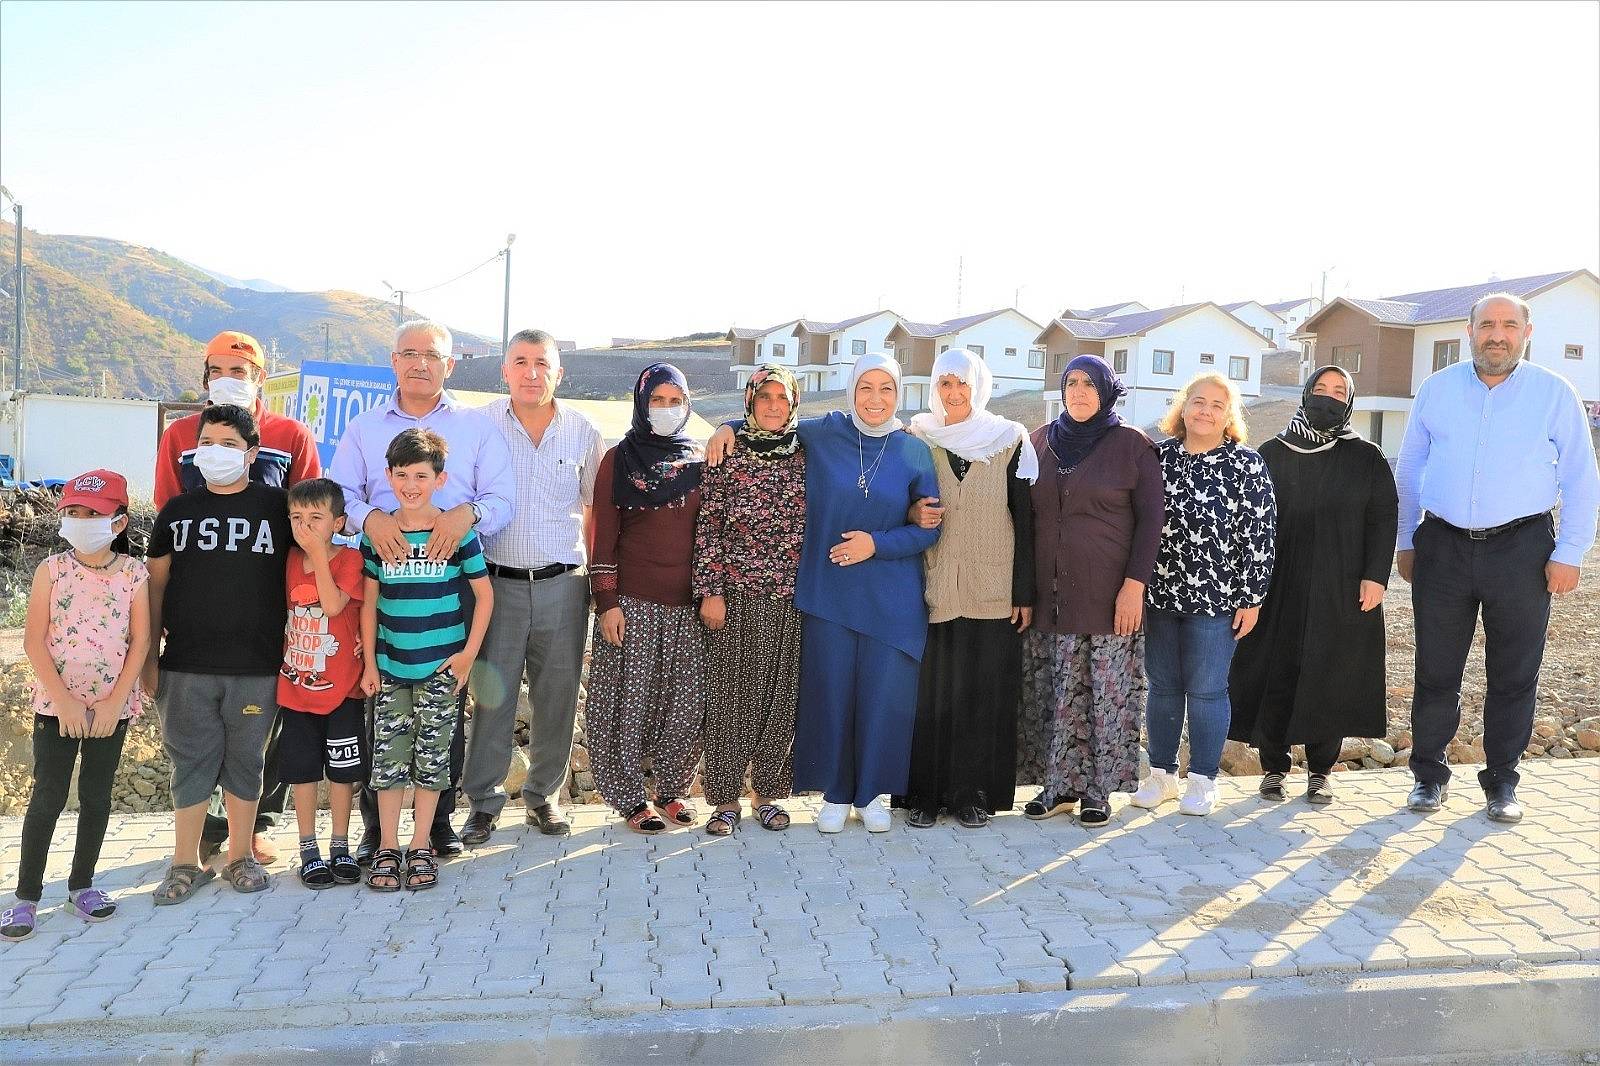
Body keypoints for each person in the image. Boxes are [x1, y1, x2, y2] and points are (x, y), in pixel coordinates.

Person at [707, 353, 939, 833]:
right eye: (866, 387)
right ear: (852, 390)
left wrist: (876, 543)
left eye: (886, 389)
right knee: (830, 694)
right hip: (828, 593)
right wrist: (727, 426)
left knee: (882, 697)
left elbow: (929, 526)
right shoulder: (824, 433)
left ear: (899, 394)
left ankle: (872, 794)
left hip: (891, 598)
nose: (875, 399)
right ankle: (835, 793)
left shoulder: (914, 451)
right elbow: (771, 420)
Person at [1396, 293, 1599, 822]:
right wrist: (1406, 540)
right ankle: (1428, 777)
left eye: (1509, 325)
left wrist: (1571, 551)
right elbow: (1411, 466)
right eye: (1487, 324)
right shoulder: (1437, 390)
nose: (1497, 335)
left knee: (1514, 672)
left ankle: (1502, 782)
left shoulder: (1555, 393)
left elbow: (1581, 477)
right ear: (1470, 331)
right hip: (1442, 545)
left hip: (1523, 549)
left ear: (1526, 333)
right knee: (1436, 669)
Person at [329, 318, 514, 861]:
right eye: (409, 353)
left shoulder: (477, 427)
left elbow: (502, 498)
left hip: (451, 583)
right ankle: (377, 829)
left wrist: (466, 515)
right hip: (386, 585)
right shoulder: (363, 428)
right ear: (393, 361)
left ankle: (436, 826)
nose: (420, 363)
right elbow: (339, 495)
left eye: (431, 355)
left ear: (449, 365)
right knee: (384, 714)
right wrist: (369, 519)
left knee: (444, 702)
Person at [154, 330, 319, 869]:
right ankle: (203, 836)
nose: (227, 380)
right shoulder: (180, 435)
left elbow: (310, 518)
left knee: (256, 737)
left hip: (266, 614)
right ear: (205, 377)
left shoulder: (291, 435)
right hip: (197, 616)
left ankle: (253, 831)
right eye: (217, 371)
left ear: (259, 378)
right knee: (199, 740)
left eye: (239, 371)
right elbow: (167, 512)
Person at [1229, 367, 1398, 805]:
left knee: (1331, 673)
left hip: (1342, 585)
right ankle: (1273, 768)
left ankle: (1321, 772)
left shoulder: (1366, 457)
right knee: (1275, 670)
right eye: (1320, 389)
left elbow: (1383, 518)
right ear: (1305, 395)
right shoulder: (1272, 452)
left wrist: (1375, 576)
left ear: (1350, 401)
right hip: (1277, 584)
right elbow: (1247, 521)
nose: (1328, 397)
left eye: (1339, 391)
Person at [460, 330, 604, 844]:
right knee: (492, 697)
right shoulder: (478, 426)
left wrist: (595, 578)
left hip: (564, 584)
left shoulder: (583, 431)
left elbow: (594, 509)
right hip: (495, 584)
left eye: (542, 362)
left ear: (559, 373)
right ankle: (483, 803)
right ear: (505, 370)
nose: (531, 372)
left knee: (557, 696)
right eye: (520, 361)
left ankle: (544, 797)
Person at [143, 404, 292, 901]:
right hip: (185, 665)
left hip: (257, 666)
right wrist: (149, 659)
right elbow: (154, 588)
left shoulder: (278, 507)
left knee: (247, 761)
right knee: (190, 763)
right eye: (207, 443)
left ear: (252, 453)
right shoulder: (176, 511)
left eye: (229, 444)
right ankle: (184, 864)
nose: (215, 452)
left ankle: (240, 857)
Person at [1016, 357, 1163, 827]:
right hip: (1050, 596)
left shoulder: (1133, 446)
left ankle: (1097, 792)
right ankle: (1056, 788)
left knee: (1104, 695)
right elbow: (1023, 519)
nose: (1078, 391)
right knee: (1054, 693)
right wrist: (1024, 590)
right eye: (1071, 382)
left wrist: (1134, 586)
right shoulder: (1038, 443)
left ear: (1107, 391)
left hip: (1108, 597)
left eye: (1089, 384)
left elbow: (1152, 523)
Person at [3, 471, 148, 943]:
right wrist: (64, 701)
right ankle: (26, 896)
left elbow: (141, 641)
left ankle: (82, 886)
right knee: (47, 796)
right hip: (56, 705)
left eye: (94, 514)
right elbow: (33, 640)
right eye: (74, 513)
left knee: (96, 796)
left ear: (118, 521)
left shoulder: (134, 574)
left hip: (111, 708)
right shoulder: (51, 570)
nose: (82, 521)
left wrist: (114, 701)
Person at [900, 349, 1038, 829]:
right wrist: (913, 513)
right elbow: (900, 503)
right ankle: (925, 795)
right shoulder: (918, 438)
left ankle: (972, 793)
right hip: (934, 585)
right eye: (945, 384)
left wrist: (1024, 592)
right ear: (934, 388)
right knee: (931, 694)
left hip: (993, 587)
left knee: (983, 694)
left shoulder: (1008, 439)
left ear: (978, 387)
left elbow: (1025, 518)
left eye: (962, 384)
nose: (953, 393)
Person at [1133, 373, 1275, 817]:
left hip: (1218, 601)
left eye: (1217, 404)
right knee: (1163, 687)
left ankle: (1203, 781)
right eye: (1198, 401)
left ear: (1229, 414)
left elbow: (1260, 535)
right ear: (1183, 406)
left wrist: (1252, 597)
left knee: (1208, 691)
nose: (1206, 411)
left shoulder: (1247, 464)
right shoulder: (1158, 458)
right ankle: (1162, 777)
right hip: (1160, 596)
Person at [358, 429, 493, 891]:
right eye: (401, 475)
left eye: (421, 475)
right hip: (391, 669)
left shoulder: (456, 534)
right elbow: (369, 604)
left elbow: (484, 596)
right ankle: (387, 846)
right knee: (388, 761)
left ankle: (420, 845)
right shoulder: (379, 537)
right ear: (388, 477)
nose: (410, 485)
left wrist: (468, 655)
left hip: (440, 670)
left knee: (432, 760)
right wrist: (370, 664)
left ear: (440, 479)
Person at [587, 363, 707, 834]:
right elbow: (603, 537)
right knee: (627, 704)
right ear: (641, 402)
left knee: (684, 703)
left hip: (687, 608)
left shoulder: (699, 461)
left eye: (675, 401)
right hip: (632, 604)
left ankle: (672, 789)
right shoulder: (619, 460)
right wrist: (607, 602)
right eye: (657, 400)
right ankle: (630, 797)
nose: (666, 409)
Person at [693, 364, 807, 835]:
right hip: (735, 595)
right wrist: (711, 591)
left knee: (780, 698)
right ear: (750, 402)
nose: (774, 406)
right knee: (728, 698)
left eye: (783, 397)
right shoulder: (728, 452)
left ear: (794, 402)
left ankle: (768, 793)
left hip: (791, 598)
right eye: (764, 397)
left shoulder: (806, 452)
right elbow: (708, 525)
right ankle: (724, 799)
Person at [277, 479, 367, 889]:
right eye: (297, 517)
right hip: (296, 689)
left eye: (316, 518)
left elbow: (332, 606)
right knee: (303, 771)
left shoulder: (349, 559)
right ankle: (308, 847)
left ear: (338, 523)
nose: (305, 526)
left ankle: (340, 844)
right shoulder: (289, 559)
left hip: (342, 688)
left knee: (343, 772)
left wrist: (316, 553)